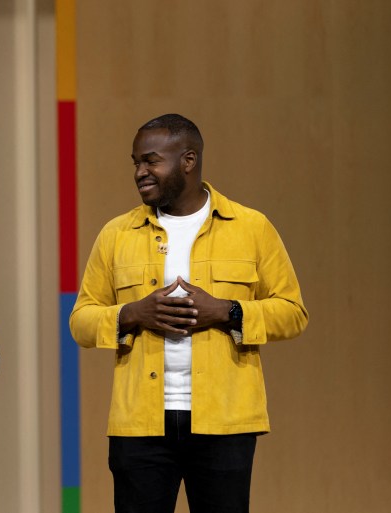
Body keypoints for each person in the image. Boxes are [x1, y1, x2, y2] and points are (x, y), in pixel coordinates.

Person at [69, 114, 308, 513]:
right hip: (140, 427)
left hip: (225, 424)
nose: (140, 173)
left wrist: (228, 311)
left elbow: (293, 312)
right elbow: (81, 320)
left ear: (188, 160)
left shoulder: (251, 227)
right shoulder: (116, 234)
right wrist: (132, 313)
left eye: (150, 161)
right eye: (135, 163)